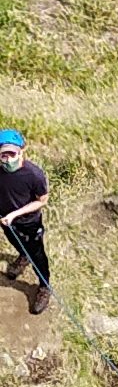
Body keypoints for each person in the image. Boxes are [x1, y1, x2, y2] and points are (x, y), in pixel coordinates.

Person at [0, 129, 51, 315]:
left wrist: (15, 214)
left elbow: (42, 200)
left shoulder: (34, 175)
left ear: (21, 151)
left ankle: (44, 286)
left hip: (29, 222)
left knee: (38, 256)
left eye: (11, 154)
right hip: (6, 221)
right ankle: (23, 256)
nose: (7, 159)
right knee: (16, 242)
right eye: (3, 155)